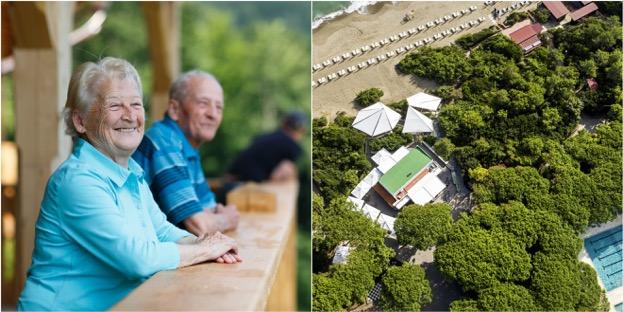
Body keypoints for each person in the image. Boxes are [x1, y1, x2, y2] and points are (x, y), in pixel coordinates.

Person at [18, 58, 241, 311]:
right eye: (114, 105)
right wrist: (203, 250)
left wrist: (210, 244)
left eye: (136, 104)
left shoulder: (130, 172)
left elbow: (162, 231)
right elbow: (137, 259)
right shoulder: (78, 181)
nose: (130, 115)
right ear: (80, 121)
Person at [132, 71, 239, 237]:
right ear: (175, 109)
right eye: (203, 103)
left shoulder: (187, 147)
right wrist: (228, 219)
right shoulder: (164, 142)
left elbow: (209, 208)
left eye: (219, 107)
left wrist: (213, 218)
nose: (213, 114)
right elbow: (198, 226)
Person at [226, 111, 306, 183]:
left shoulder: (263, 136)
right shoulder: (293, 147)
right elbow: (277, 175)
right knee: (291, 171)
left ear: (284, 124)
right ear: (302, 130)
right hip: (251, 186)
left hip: (230, 179)